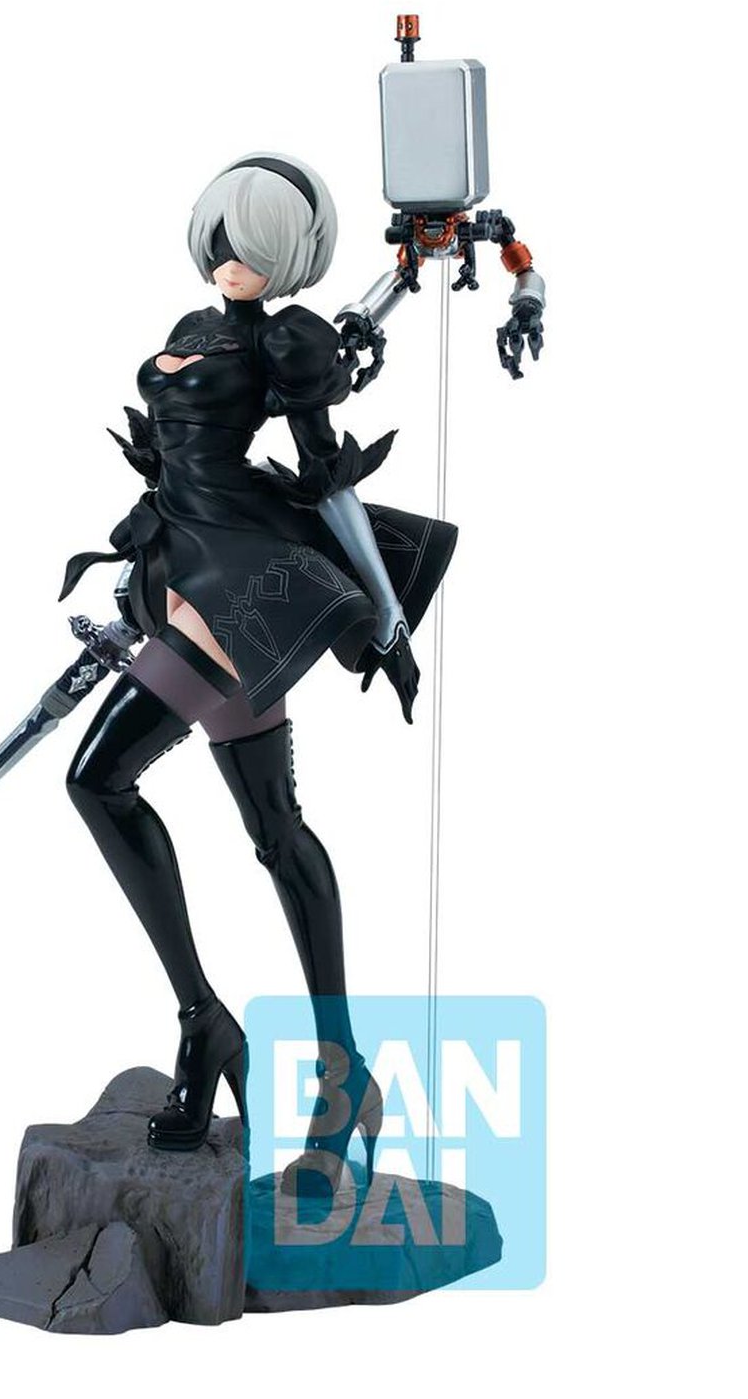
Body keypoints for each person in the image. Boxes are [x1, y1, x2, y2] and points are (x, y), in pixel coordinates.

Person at [58, 153, 456, 1173]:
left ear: (287, 253)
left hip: (240, 585)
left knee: (99, 779)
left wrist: (389, 620)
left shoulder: (287, 342)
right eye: (222, 238)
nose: (231, 258)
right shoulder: (195, 328)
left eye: (253, 243)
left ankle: (211, 1024)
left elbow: (328, 482)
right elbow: (170, 459)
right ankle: (317, 1064)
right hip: (181, 566)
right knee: (277, 830)